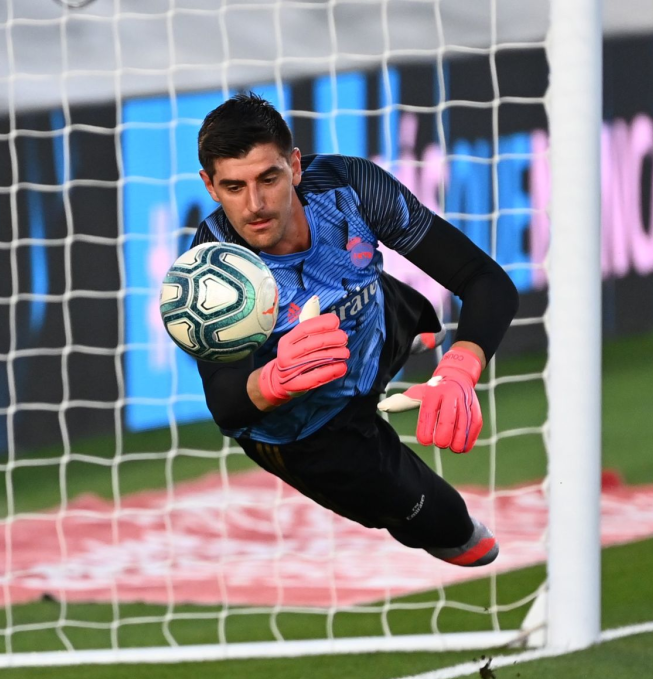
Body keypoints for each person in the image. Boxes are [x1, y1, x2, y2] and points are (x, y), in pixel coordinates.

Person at [190, 92, 519, 567]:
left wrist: (462, 369)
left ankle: (412, 335)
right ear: (211, 186)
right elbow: (224, 404)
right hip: (309, 428)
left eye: (269, 178)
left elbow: (485, 280)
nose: (256, 205)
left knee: (393, 301)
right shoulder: (214, 268)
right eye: (234, 187)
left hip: (377, 322)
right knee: (464, 541)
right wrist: (275, 379)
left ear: (296, 167)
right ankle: (424, 510)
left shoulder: (348, 186)